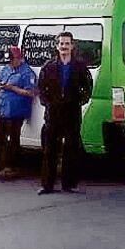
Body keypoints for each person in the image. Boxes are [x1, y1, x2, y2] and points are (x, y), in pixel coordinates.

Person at [36, 32, 93, 195]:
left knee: (71, 149)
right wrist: (47, 102)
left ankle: (69, 184)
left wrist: (81, 100)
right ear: (56, 46)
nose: (64, 47)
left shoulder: (80, 66)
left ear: (72, 46)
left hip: (72, 112)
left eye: (67, 44)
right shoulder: (49, 66)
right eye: (61, 43)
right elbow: (41, 87)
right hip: (53, 113)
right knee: (50, 150)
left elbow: (88, 86)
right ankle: (47, 185)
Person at [0, 46, 36, 181]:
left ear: (18, 58)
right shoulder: (5, 69)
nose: (10, 63)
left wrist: (11, 88)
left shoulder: (26, 72)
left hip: (16, 110)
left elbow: (30, 93)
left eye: (11, 60)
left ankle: (13, 166)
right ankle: (2, 165)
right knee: (0, 138)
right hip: (3, 109)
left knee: (13, 140)